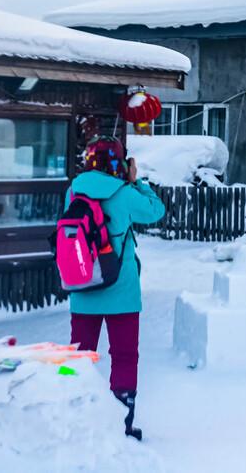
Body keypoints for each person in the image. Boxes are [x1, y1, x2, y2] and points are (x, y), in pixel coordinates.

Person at [66, 135, 164, 440]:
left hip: (83, 285)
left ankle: (74, 417)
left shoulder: (74, 190)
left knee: (79, 356)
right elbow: (155, 211)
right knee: (123, 356)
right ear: (120, 163)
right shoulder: (123, 192)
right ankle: (122, 423)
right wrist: (137, 181)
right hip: (121, 291)